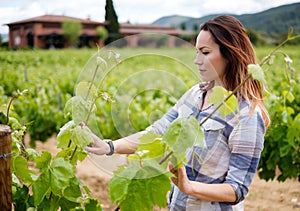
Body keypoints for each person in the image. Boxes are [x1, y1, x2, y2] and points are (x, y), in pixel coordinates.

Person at [85, 15, 270, 210]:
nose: (197, 61)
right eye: (197, 52)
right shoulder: (195, 94)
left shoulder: (247, 115)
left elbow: (237, 189)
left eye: (205, 52)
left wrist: (189, 187)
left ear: (230, 54)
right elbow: (159, 132)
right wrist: (110, 146)